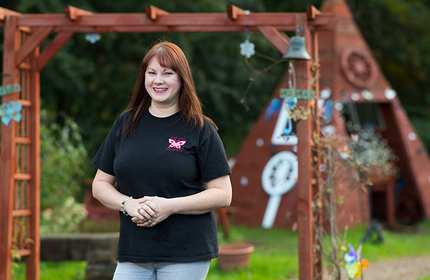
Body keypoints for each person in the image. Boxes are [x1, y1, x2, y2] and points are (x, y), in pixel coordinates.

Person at [91, 41, 232, 280]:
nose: (158, 80)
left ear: (182, 80)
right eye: (152, 73)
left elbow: (223, 194)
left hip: (186, 252)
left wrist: (169, 206)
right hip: (134, 252)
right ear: (143, 77)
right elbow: (100, 184)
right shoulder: (126, 124)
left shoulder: (200, 129)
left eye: (167, 73)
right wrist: (128, 204)